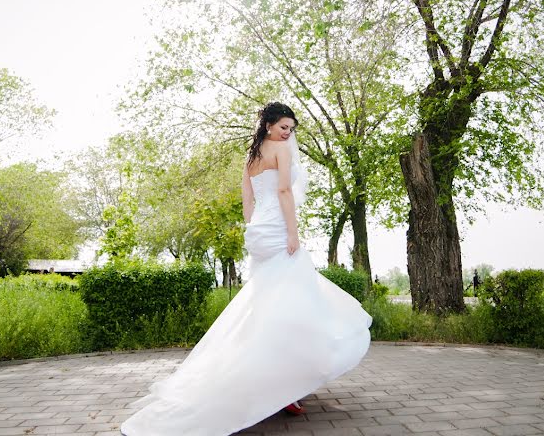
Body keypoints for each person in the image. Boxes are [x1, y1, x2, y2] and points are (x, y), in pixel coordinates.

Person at [120, 102, 372, 436]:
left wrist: (254, 227)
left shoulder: (252, 155)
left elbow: (247, 197)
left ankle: (281, 382)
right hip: (278, 230)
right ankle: (285, 384)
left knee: (270, 303)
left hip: (259, 232)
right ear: (269, 124)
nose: (288, 134)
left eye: (291, 129)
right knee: (292, 305)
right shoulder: (280, 150)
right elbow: (283, 191)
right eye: (284, 126)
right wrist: (292, 233)